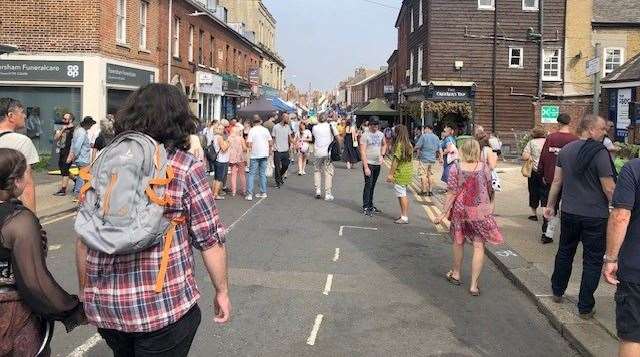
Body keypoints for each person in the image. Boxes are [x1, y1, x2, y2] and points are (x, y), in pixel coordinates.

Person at [75, 83, 229, 356]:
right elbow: (209, 240)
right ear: (180, 120)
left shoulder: (104, 163)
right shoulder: (184, 166)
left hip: (108, 308)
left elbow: (84, 238)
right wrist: (222, 291)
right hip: (161, 307)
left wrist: (87, 293)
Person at [0, 148, 85, 356]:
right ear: (17, 182)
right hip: (11, 320)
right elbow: (35, 283)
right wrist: (73, 310)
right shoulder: (19, 221)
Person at [544, 114, 615, 319]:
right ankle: (585, 306)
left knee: (565, 252)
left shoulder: (566, 151)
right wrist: (618, 208)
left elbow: (557, 181)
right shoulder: (600, 153)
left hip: (569, 212)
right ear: (590, 129)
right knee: (592, 261)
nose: (605, 132)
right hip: (595, 215)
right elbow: (609, 188)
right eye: (602, 129)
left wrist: (550, 205)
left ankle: (557, 290)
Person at [436, 139, 503, 296]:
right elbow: (489, 188)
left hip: (461, 209)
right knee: (479, 246)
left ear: (463, 151)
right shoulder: (485, 168)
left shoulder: (455, 168)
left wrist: (443, 213)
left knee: (459, 241)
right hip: (480, 210)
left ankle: (456, 274)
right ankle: (473, 285)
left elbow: (451, 192)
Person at [603, 158, 640, 357]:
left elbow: (620, 216)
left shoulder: (634, 169)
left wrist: (611, 259)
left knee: (633, 336)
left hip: (635, 267)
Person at [538, 113, 578, 244]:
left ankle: (547, 233)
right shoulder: (574, 139)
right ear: (569, 122)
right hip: (569, 179)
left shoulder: (551, 138)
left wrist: (541, 173)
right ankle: (569, 234)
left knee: (551, 205)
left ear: (558, 123)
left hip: (551, 176)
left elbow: (543, 156)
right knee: (569, 207)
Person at [0, 99, 39, 212]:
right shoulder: (21, 141)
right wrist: (32, 219)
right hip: (7, 212)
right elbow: (27, 184)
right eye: (21, 112)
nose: (25, 116)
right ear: (11, 116)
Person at [386, 125, 413, 224]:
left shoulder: (399, 145)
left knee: (402, 195)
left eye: (395, 132)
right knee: (402, 193)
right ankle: (403, 214)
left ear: (398, 133)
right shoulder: (409, 144)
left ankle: (404, 216)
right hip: (407, 172)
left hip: (400, 172)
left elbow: (395, 162)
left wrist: (390, 174)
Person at [360, 116, 387, 216]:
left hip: (377, 164)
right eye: (374, 125)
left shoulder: (380, 134)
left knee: (373, 185)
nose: (376, 127)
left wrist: (382, 155)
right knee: (368, 185)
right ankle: (366, 206)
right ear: (370, 125)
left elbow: (384, 144)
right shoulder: (365, 135)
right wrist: (366, 166)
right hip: (369, 163)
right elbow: (362, 151)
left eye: (377, 125)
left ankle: (371, 205)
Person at [522, 126, 547, 221]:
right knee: (546, 192)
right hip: (546, 171)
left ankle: (534, 214)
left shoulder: (531, 143)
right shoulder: (548, 142)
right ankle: (546, 213)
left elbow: (525, 156)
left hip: (534, 171)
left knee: (533, 191)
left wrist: (530, 157)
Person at [312, 113, 338, 201]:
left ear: (318, 119)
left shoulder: (314, 128)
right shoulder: (331, 126)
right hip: (328, 153)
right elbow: (337, 137)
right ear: (327, 118)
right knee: (328, 172)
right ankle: (328, 193)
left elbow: (315, 137)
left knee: (317, 170)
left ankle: (318, 190)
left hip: (317, 152)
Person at [246, 116, 273, 201]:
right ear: (260, 121)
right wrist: (269, 151)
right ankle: (263, 192)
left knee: (251, 174)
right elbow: (270, 142)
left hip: (254, 154)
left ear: (253, 122)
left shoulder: (252, 130)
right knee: (262, 174)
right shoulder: (265, 130)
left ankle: (250, 194)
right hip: (264, 154)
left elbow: (249, 144)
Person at [69, 116, 96, 197]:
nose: (91, 126)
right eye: (91, 124)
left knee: (83, 176)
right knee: (83, 176)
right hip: (82, 158)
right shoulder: (82, 132)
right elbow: (77, 146)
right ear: (87, 124)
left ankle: (82, 192)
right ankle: (78, 193)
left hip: (81, 158)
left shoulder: (78, 131)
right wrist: (75, 155)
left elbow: (75, 144)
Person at [414, 125, 442, 196]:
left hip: (424, 159)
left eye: (425, 129)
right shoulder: (436, 137)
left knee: (423, 174)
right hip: (432, 159)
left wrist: (412, 150)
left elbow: (418, 146)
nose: (424, 130)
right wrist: (441, 158)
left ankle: (423, 191)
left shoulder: (424, 136)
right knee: (430, 175)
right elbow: (440, 149)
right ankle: (430, 191)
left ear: (428, 129)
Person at [53, 112, 75, 197]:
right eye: (63, 118)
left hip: (69, 151)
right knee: (62, 169)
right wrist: (62, 129)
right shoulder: (61, 128)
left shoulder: (74, 129)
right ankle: (75, 180)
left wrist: (73, 154)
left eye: (65, 119)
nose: (63, 120)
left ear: (71, 120)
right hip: (62, 150)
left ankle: (63, 190)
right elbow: (55, 138)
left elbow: (75, 143)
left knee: (65, 170)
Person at [272, 113, 293, 188]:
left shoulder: (288, 127)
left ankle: (280, 176)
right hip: (277, 150)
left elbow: (290, 138)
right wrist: (273, 147)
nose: (288, 119)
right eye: (287, 118)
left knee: (286, 165)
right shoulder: (275, 127)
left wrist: (295, 143)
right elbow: (273, 138)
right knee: (277, 167)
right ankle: (277, 182)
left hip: (285, 150)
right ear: (283, 118)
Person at [212, 123, 230, 200]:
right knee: (219, 178)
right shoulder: (219, 137)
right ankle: (215, 194)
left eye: (222, 129)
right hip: (221, 160)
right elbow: (224, 148)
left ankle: (213, 193)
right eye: (220, 129)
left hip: (216, 159)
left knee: (216, 177)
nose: (221, 130)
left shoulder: (214, 136)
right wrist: (228, 142)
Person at [228, 126, 247, 197]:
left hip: (232, 158)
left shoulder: (229, 138)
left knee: (233, 175)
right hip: (240, 158)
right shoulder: (241, 138)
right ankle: (244, 190)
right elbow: (244, 148)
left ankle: (233, 191)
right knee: (242, 174)